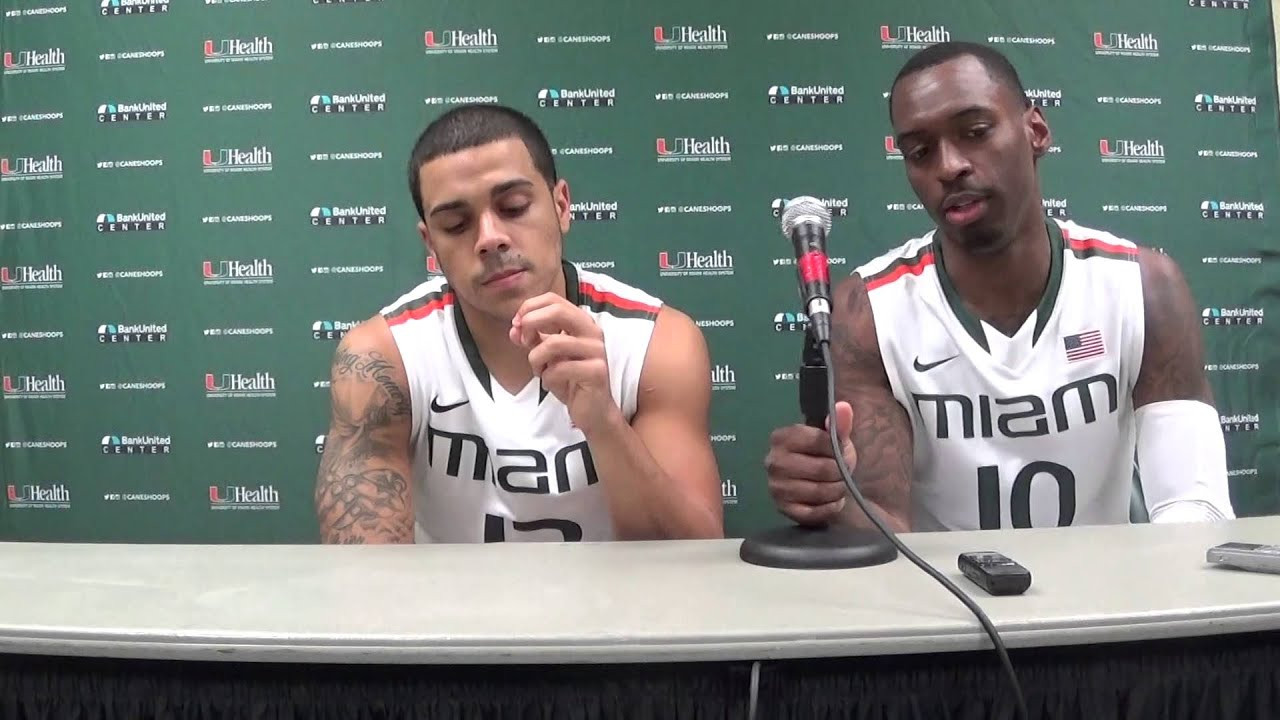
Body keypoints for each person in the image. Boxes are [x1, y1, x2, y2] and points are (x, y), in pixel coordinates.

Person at [765, 42, 1235, 532]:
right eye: (920, 152)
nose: (949, 166)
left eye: (975, 132)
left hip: (1106, 599)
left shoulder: (1143, 288)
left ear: (1036, 130)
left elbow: (1194, 505)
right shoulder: (868, 313)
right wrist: (832, 500)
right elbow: (888, 527)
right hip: (948, 603)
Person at [315, 103, 723, 543]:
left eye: (513, 206)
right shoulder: (382, 357)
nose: (490, 238)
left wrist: (604, 422)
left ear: (562, 205)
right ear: (430, 243)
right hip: (447, 610)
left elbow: (691, 559)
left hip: (616, 611)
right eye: (456, 225)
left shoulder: (655, 343)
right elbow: (366, 575)